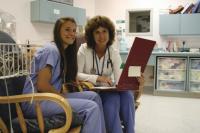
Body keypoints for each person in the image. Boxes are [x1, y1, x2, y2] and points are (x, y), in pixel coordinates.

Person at [21, 17, 106, 133]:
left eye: (74, 31)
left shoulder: (61, 52)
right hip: (35, 102)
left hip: (50, 98)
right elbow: (42, 85)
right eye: (67, 30)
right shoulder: (51, 50)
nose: (71, 34)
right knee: (91, 107)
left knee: (94, 96)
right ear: (58, 31)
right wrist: (63, 97)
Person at [77, 15, 144, 133]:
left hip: (107, 89)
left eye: (104, 31)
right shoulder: (84, 49)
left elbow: (119, 75)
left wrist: (134, 81)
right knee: (113, 100)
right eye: (97, 32)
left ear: (110, 34)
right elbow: (76, 74)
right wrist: (97, 77)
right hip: (90, 90)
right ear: (92, 35)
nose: (101, 36)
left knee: (127, 95)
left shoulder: (113, 51)